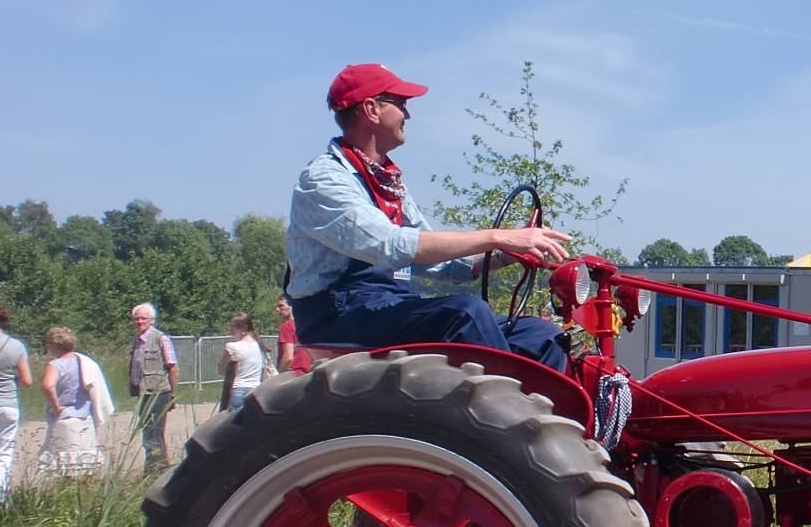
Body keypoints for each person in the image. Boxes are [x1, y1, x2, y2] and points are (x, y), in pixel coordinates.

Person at [286, 63, 574, 370]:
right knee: (466, 314)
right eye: (401, 104)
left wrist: (509, 253)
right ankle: (512, 416)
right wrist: (498, 236)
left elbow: (441, 262)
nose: (408, 115)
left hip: (385, 303)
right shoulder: (324, 180)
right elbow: (390, 246)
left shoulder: (386, 182)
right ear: (371, 109)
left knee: (540, 335)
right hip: (337, 315)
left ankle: (560, 414)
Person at [41, 327, 106, 477]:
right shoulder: (85, 363)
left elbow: (48, 385)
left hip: (64, 418)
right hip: (84, 417)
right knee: (85, 467)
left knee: (64, 469)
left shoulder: (56, 365)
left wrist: (56, 406)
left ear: (55, 345)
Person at [130, 302, 181, 475]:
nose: (139, 321)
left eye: (143, 318)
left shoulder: (161, 338)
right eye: (136, 318)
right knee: (148, 432)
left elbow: (173, 367)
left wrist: (172, 394)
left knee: (154, 433)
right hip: (143, 394)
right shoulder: (137, 341)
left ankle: (155, 472)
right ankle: (156, 469)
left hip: (158, 393)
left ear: (152, 320)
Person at [0, 302, 33, 503]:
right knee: (2, 454)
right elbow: (27, 381)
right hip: (7, 405)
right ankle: (2, 501)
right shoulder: (16, 346)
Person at [218, 312, 266, 413]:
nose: (230, 330)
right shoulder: (259, 346)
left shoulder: (232, 346)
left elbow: (222, 370)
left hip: (238, 390)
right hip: (256, 391)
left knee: (231, 426)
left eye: (233, 327)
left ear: (243, 328)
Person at [275, 296, 311, 375]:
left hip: (293, 374)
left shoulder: (287, 326)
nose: (277, 309)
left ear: (291, 307)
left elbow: (288, 357)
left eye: (281, 306)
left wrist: (278, 375)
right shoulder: (306, 324)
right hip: (309, 373)